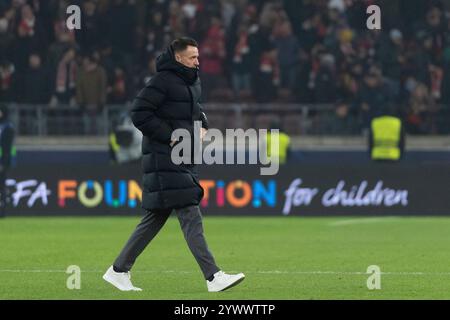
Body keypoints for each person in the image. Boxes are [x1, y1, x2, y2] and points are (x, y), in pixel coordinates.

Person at [103, 37, 245, 292]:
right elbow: (139, 113)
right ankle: (213, 277)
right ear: (179, 58)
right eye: (193, 57)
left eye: (198, 56)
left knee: (155, 217)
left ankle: (118, 270)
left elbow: (193, 110)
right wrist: (169, 136)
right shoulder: (162, 81)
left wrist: (202, 124)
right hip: (164, 159)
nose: (198, 61)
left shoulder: (191, 81)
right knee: (190, 212)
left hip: (183, 156)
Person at [0, 105, 15, 218]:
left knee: (1, 187)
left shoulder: (8, 128)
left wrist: (3, 163)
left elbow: (7, 148)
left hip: (2, 163)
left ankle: (2, 211)